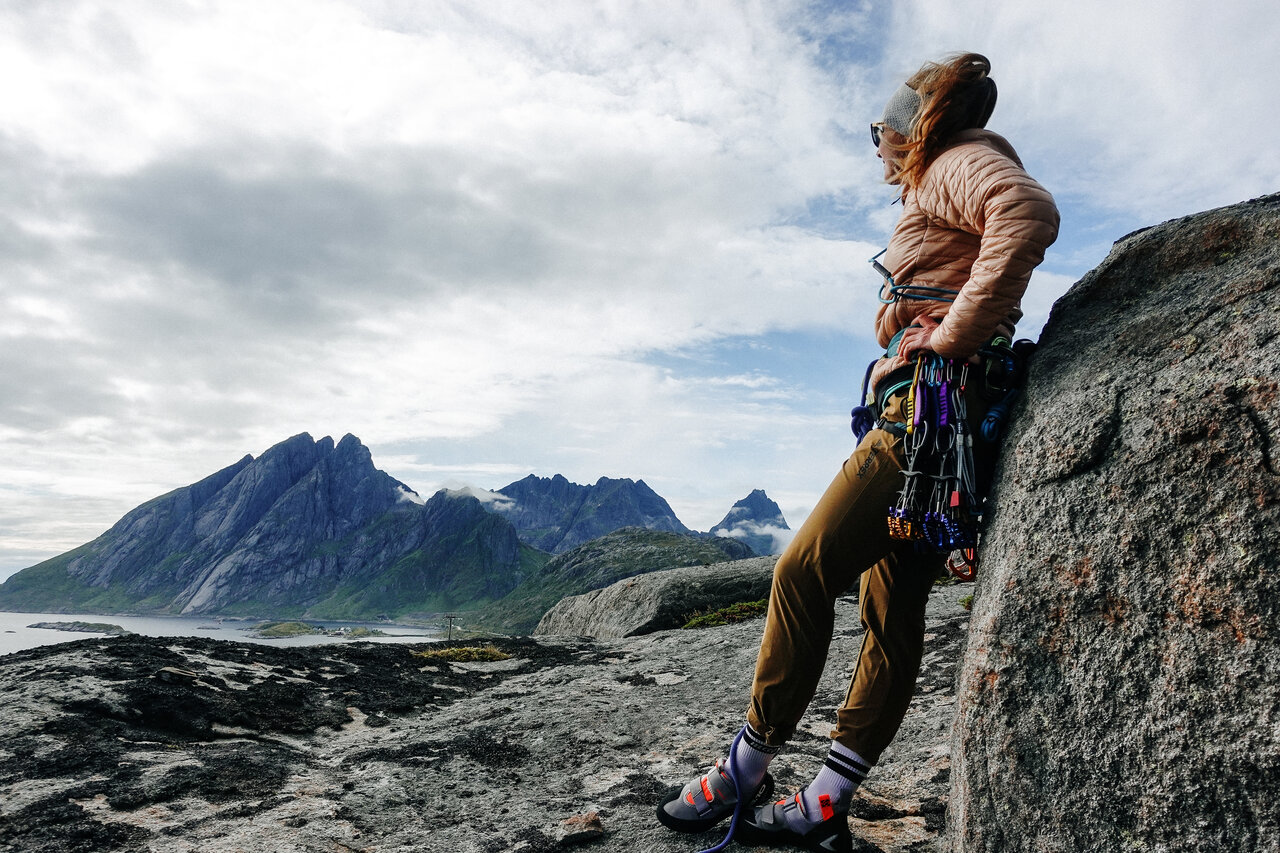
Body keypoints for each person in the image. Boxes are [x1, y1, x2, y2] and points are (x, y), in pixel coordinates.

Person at [656, 52, 1059, 852]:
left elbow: (1026, 213)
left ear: (919, 122)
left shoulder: (954, 161)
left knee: (800, 569)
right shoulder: (945, 173)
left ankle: (745, 766)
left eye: (888, 121)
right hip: (945, 427)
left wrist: (949, 336)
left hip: (922, 419)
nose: (879, 137)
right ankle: (829, 800)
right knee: (888, 609)